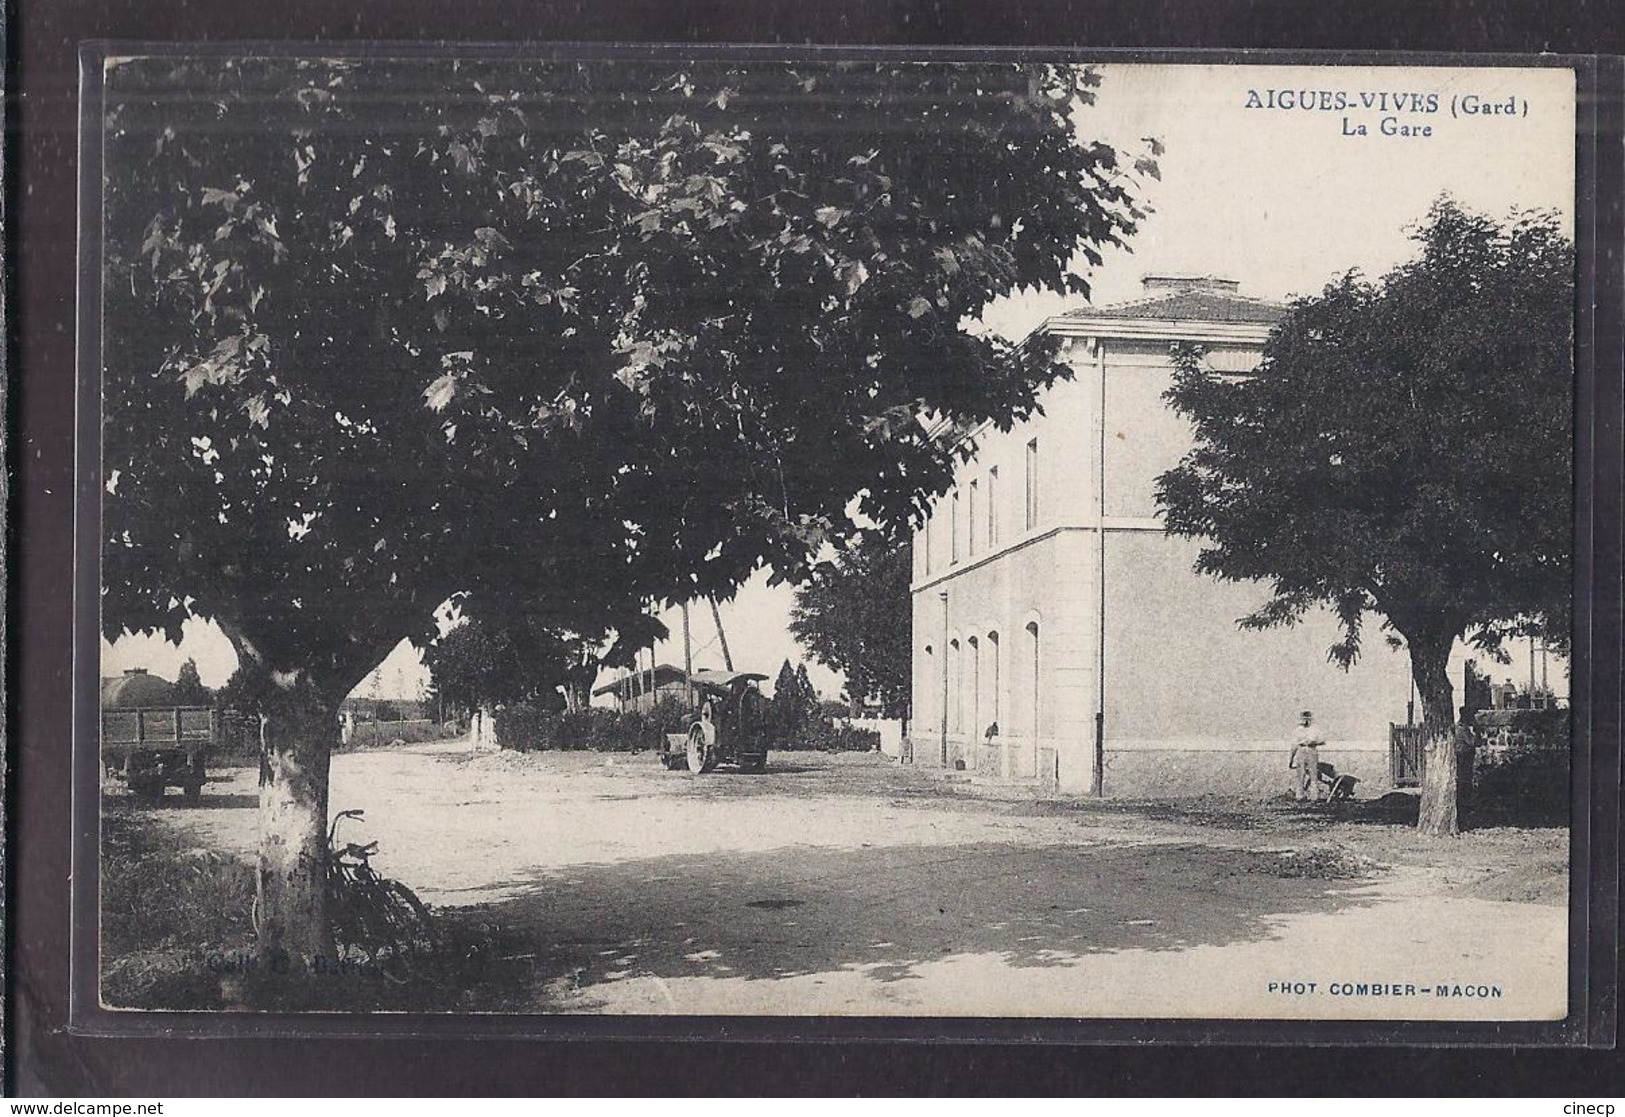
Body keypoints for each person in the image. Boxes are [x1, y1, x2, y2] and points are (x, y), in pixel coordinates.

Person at [1289, 710, 1325, 802]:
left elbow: (1322, 741)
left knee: (1313, 773)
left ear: (1311, 719)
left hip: (1312, 750)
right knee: (1301, 774)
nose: (1305, 721)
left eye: (1307, 719)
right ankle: (1300, 796)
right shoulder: (1297, 730)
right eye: (1303, 719)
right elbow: (1294, 745)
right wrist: (1291, 759)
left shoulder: (1315, 729)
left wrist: (1314, 742)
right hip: (1301, 750)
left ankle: (1314, 796)